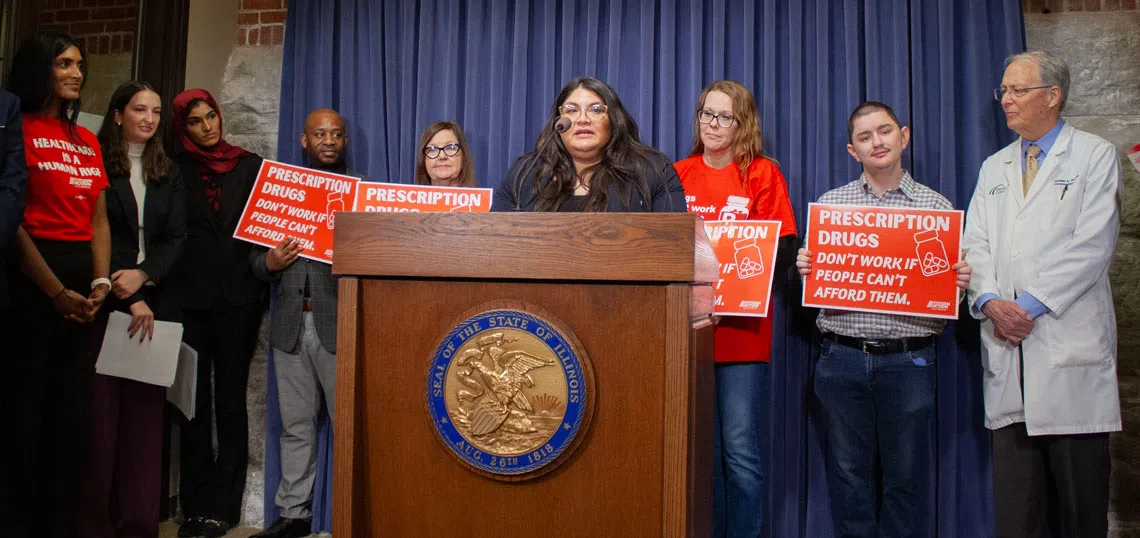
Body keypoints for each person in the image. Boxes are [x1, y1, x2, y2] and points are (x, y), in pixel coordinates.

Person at [963, 50, 1121, 538]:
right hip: (1010, 358)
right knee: (1017, 516)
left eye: (1017, 90)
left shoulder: (1094, 155)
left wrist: (1025, 308)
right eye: (1003, 91)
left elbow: (1092, 245)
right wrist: (990, 302)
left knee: (1081, 513)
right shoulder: (995, 166)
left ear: (1052, 96)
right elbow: (975, 243)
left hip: (1065, 350)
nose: (1005, 100)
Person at [795, 102, 971, 538]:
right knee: (848, 478)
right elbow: (819, 286)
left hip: (908, 362)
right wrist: (807, 269)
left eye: (885, 131)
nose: (877, 141)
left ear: (904, 137)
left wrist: (960, 282)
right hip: (840, 359)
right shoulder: (832, 207)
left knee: (906, 480)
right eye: (865, 136)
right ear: (852, 151)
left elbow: (944, 292)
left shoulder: (936, 208)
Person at [673, 80, 797, 538]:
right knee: (699, 452)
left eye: (725, 116)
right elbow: (662, 248)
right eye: (707, 114)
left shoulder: (761, 174)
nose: (713, 124)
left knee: (739, 452)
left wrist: (728, 297)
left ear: (743, 123)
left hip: (742, 334)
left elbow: (781, 251)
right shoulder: (677, 173)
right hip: (686, 331)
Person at [1, 30, 111, 538]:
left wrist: (100, 283)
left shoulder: (86, 138)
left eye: (79, 65)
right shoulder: (14, 127)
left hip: (83, 285)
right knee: (26, 414)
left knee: (71, 417)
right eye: (64, 63)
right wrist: (54, 292)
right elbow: (12, 221)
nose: (76, 73)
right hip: (30, 279)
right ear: (39, 68)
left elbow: (99, 221)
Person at [77, 80, 186, 538]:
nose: (149, 118)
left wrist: (145, 277)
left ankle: (139, 524)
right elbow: (96, 230)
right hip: (104, 303)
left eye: (157, 111)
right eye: (139, 109)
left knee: (145, 421)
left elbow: (176, 237)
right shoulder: (96, 161)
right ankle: (94, 524)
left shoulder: (169, 171)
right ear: (117, 114)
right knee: (101, 423)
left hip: (155, 304)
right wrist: (128, 287)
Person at [250, 108, 352, 538]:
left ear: (344, 141)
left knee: (348, 426)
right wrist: (269, 263)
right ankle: (294, 516)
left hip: (339, 327)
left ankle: (348, 514)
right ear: (304, 140)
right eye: (320, 134)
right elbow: (251, 262)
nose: (329, 140)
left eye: (337, 134)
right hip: (289, 326)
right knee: (295, 425)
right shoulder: (279, 192)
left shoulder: (358, 194)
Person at [170, 88, 266, 538]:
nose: (208, 127)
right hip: (188, 299)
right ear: (182, 127)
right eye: (196, 121)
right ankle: (194, 505)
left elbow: (262, 229)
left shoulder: (250, 165)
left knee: (230, 401)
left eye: (212, 117)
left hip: (238, 299)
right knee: (192, 403)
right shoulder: (172, 166)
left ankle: (224, 508)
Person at [492, 76, 685, 212]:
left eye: (595, 110)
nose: (582, 119)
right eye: (572, 110)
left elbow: (676, 244)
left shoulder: (652, 171)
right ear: (558, 123)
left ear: (613, 120)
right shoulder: (525, 173)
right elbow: (493, 243)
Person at [415, 120, 477, 187]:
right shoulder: (408, 197)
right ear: (423, 159)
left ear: (463, 155)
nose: (442, 156)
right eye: (432, 149)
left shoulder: (485, 197)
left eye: (451, 148)